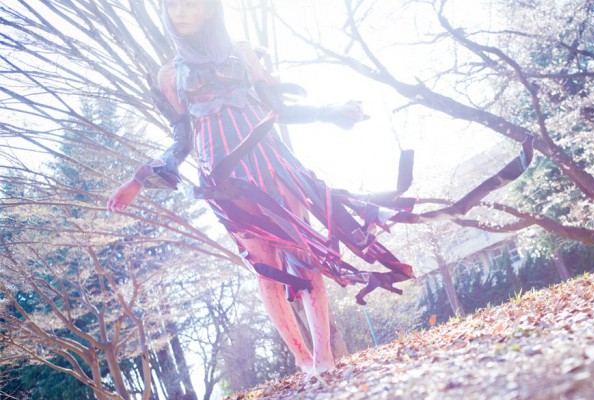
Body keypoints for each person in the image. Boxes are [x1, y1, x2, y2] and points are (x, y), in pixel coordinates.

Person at [107, 0, 415, 376]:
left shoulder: (242, 52)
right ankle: (302, 361)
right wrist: (139, 179)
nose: (179, 13)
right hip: (224, 180)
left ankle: (324, 359)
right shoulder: (169, 75)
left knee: (303, 255)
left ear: (209, 9)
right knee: (266, 269)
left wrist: (328, 112)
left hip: (271, 164)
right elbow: (181, 140)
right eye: (172, 6)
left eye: (189, 4)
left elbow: (278, 108)